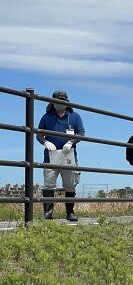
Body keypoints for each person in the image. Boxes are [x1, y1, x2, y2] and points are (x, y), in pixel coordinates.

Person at [37, 90, 85, 222]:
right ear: (53, 102)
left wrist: (71, 141)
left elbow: (81, 132)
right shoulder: (46, 117)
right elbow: (38, 134)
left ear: (67, 102)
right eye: (58, 101)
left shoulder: (75, 116)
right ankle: (48, 213)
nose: (61, 103)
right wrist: (45, 142)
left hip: (69, 156)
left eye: (63, 101)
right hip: (50, 156)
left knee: (70, 185)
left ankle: (70, 212)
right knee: (49, 184)